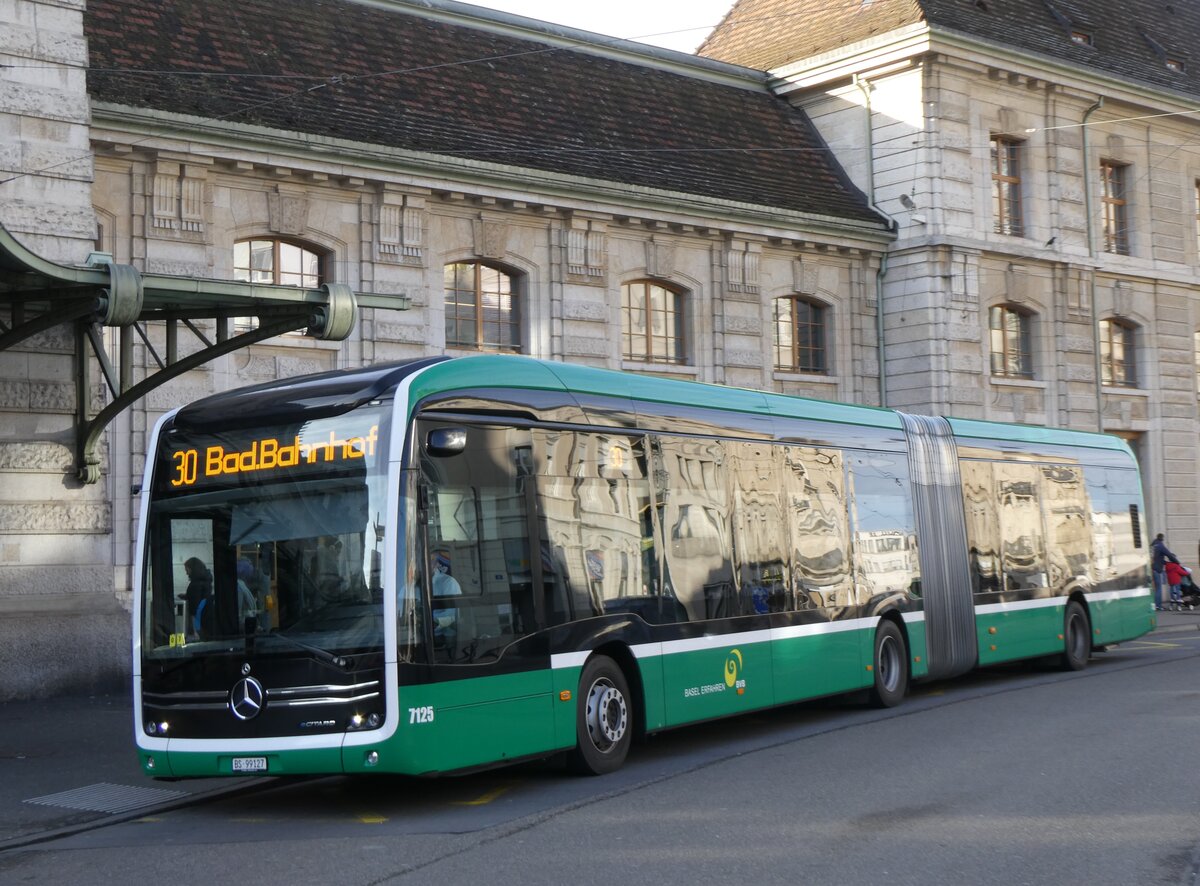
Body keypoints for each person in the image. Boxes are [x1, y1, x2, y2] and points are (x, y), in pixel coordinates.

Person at [431, 551, 462, 652]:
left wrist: (429, 620)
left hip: (442, 638)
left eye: (431, 560)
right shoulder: (412, 584)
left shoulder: (448, 582)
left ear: (436, 564)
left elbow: (452, 615)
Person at [183, 557, 213, 640]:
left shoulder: (195, 585)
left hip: (199, 621)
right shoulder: (206, 581)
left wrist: (195, 629)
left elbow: (194, 606)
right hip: (207, 618)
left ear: (192, 569)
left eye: (187, 570)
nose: (186, 573)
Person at [1151, 533, 1178, 611]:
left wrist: (1166, 563)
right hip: (1157, 569)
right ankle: (1158, 606)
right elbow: (1169, 555)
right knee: (1158, 588)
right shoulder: (1160, 546)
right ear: (1162, 539)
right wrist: (1177, 562)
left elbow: (1158, 558)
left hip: (1153, 568)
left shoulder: (1153, 545)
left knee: (1156, 588)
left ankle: (1156, 605)